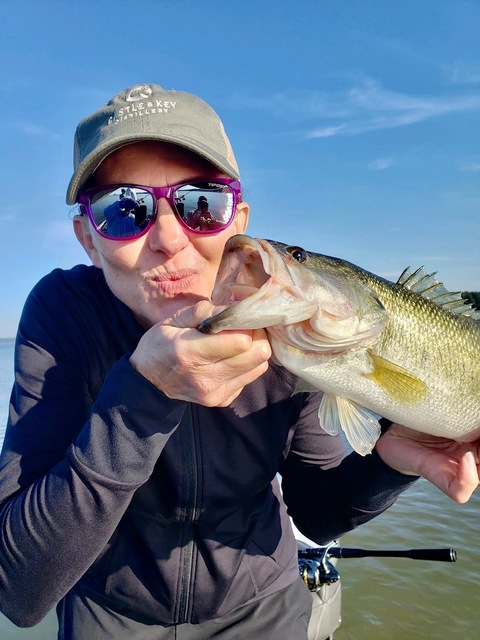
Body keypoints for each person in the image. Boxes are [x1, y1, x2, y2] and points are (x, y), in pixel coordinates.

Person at [0, 83, 477, 640]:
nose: (169, 239)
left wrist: (390, 465)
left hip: (265, 610)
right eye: (123, 210)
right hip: (111, 614)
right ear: (88, 238)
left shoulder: (290, 329)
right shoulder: (64, 314)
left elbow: (317, 512)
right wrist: (142, 396)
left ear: (237, 223)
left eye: (201, 203)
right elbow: (20, 587)